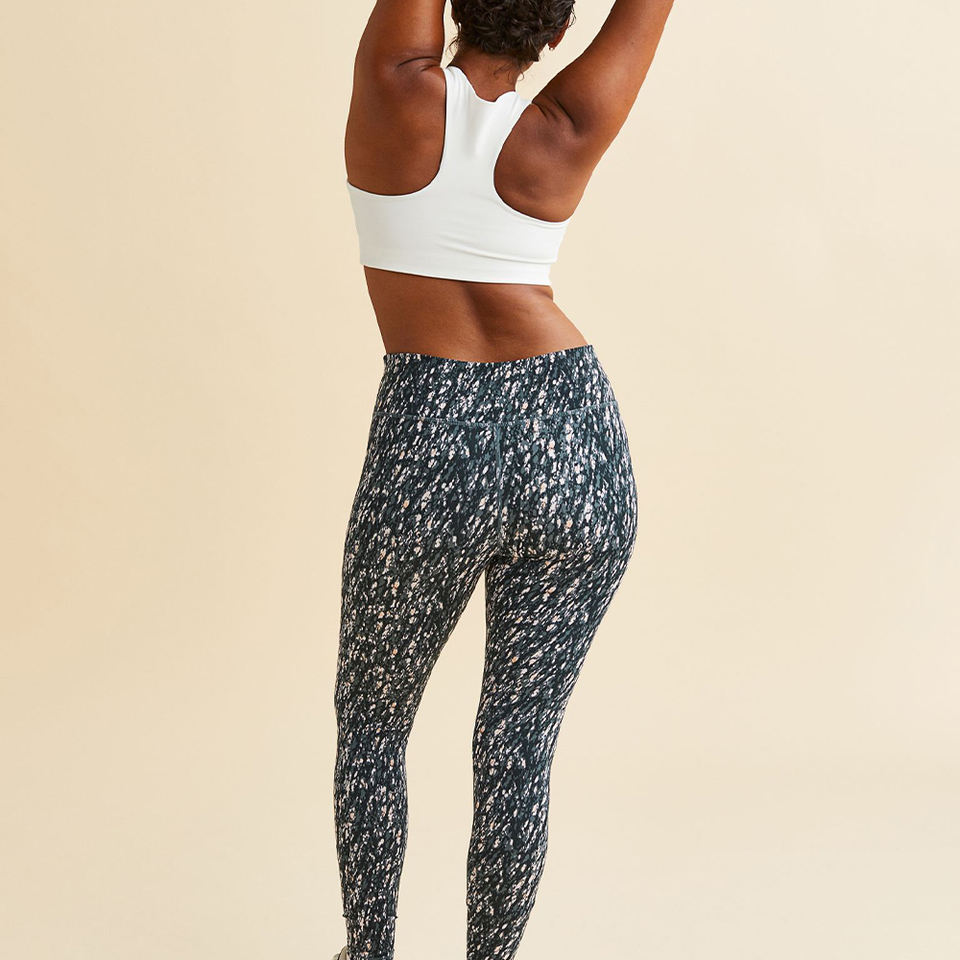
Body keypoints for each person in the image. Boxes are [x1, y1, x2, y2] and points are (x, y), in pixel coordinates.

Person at [333, 0, 674, 957]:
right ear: (558, 35)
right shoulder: (564, 126)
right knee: (518, 744)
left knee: (373, 728)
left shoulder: (395, 92)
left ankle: (368, 951)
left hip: (429, 435)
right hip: (572, 435)